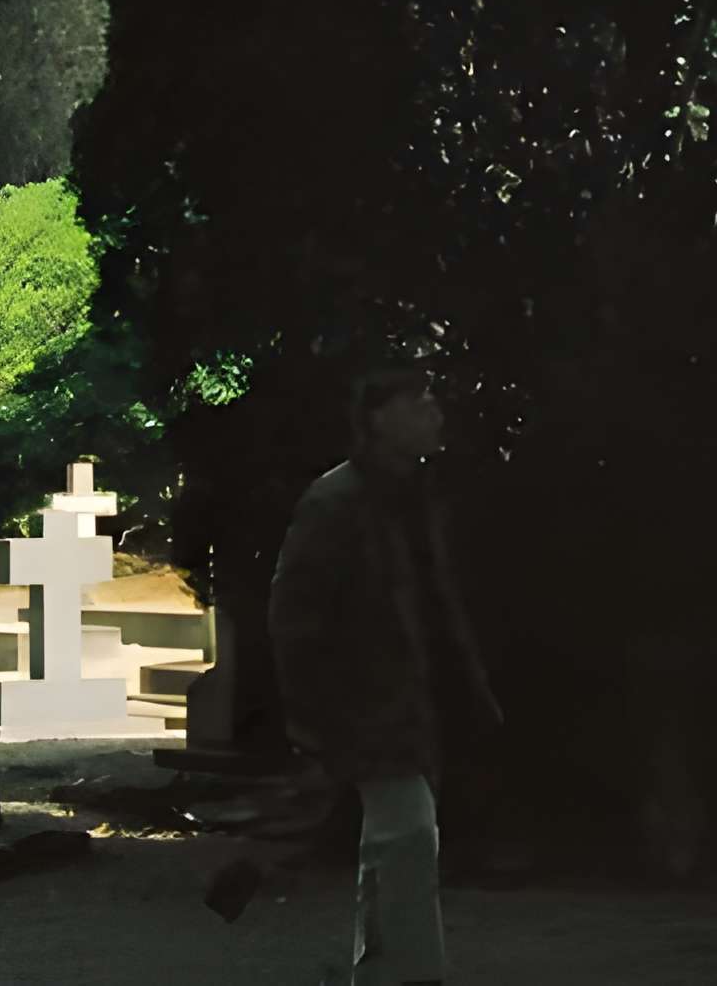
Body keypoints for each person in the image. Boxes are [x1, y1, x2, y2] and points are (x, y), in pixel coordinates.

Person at [262, 366, 503, 985]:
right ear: (379, 417)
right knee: (407, 838)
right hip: (370, 707)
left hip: (411, 702)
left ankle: (387, 973)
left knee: (396, 846)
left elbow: (435, 608)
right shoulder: (337, 501)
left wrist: (468, 692)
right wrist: (316, 717)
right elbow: (297, 619)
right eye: (418, 402)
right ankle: (413, 974)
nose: (435, 413)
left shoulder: (412, 497)